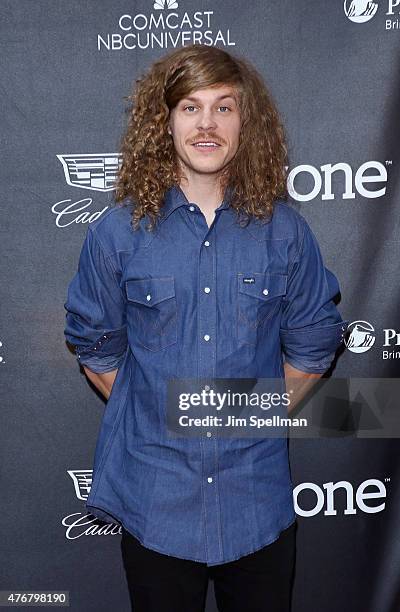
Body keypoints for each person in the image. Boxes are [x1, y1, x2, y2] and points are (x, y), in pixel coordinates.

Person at [64, 44, 348, 612]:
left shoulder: (285, 232)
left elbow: (316, 340)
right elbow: (96, 346)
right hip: (155, 501)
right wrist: (155, 415)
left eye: (224, 107)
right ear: (164, 121)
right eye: (190, 107)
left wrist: (250, 414)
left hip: (257, 503)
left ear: (247, 123)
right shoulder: (118, 233)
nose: (207, 124)